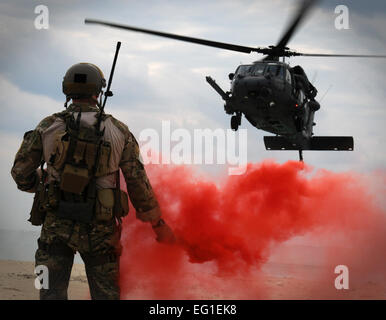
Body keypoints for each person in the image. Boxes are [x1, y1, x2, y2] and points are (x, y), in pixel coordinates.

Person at [11, 62, 175, 300]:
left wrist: (42, 181)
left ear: (66, 89)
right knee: (106, 296)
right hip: (101, 229)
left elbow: (20, 173)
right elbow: (138, 183)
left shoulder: (48, 126)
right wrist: (158, 224)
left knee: (51, 294)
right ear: (98, 91)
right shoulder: (119, 131)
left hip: (56, 224)